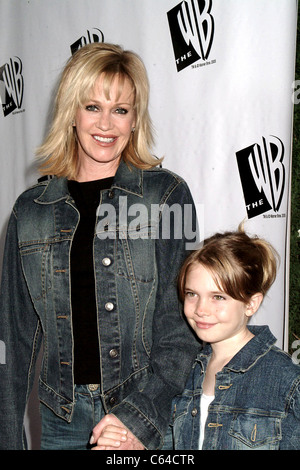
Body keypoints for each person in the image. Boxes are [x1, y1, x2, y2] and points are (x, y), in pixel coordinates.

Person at [0, 42, 200, 450]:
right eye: (93, 107)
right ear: (71, 113)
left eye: (120, 110)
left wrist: (139, 419)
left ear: (134, 119)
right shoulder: (29, 211)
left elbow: (182, 329)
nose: (106, 124)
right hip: (62, 420)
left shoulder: (166, 197)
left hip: (145, 415)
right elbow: (12, 340)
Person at [98, 228, 300, 450]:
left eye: (218, 297)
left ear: (251, 303)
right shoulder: (185, 374)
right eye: (191, 294)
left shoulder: (287, 380)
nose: (201, 309)